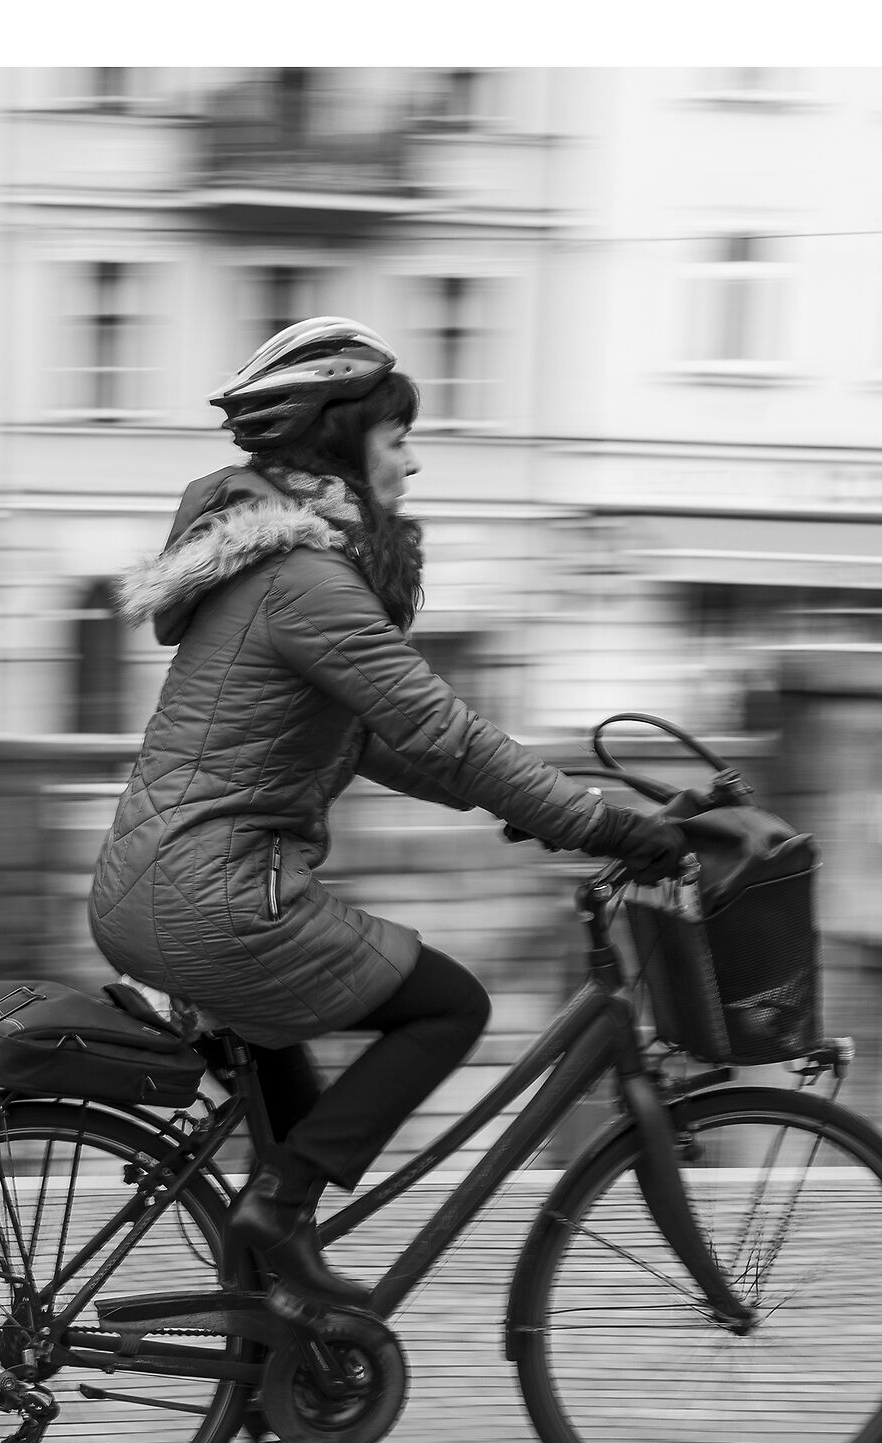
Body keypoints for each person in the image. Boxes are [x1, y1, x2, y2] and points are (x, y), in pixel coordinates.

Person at [88, 317, 687, 1312]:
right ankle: (274, 1217)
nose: (412, 461)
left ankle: (274, 1331)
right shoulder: (308, 581)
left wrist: (521, 807)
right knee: (448, 1007)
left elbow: (371, 740)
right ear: (339, 444)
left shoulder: (265, 568)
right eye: (398, 438)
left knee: (297, 1124)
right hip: (217, 902)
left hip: (152, 884)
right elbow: (443, 730)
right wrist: (596, 821)